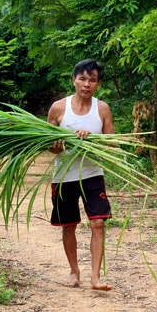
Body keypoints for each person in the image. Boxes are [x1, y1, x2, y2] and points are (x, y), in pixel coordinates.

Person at [47, 59, 115, 291]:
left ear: (98, 84)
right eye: (82, 78)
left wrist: (93, 141)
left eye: (92, 80)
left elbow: (112, 145)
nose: (86, 84)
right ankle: (74, 272)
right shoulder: (58, 108)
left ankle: (95, 277)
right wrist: (55, 146)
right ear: (73, 80)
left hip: (92, 174)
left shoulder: (102, 109)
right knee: (69, 225)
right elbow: (48, 145)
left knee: (98, 223)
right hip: (64, 177)